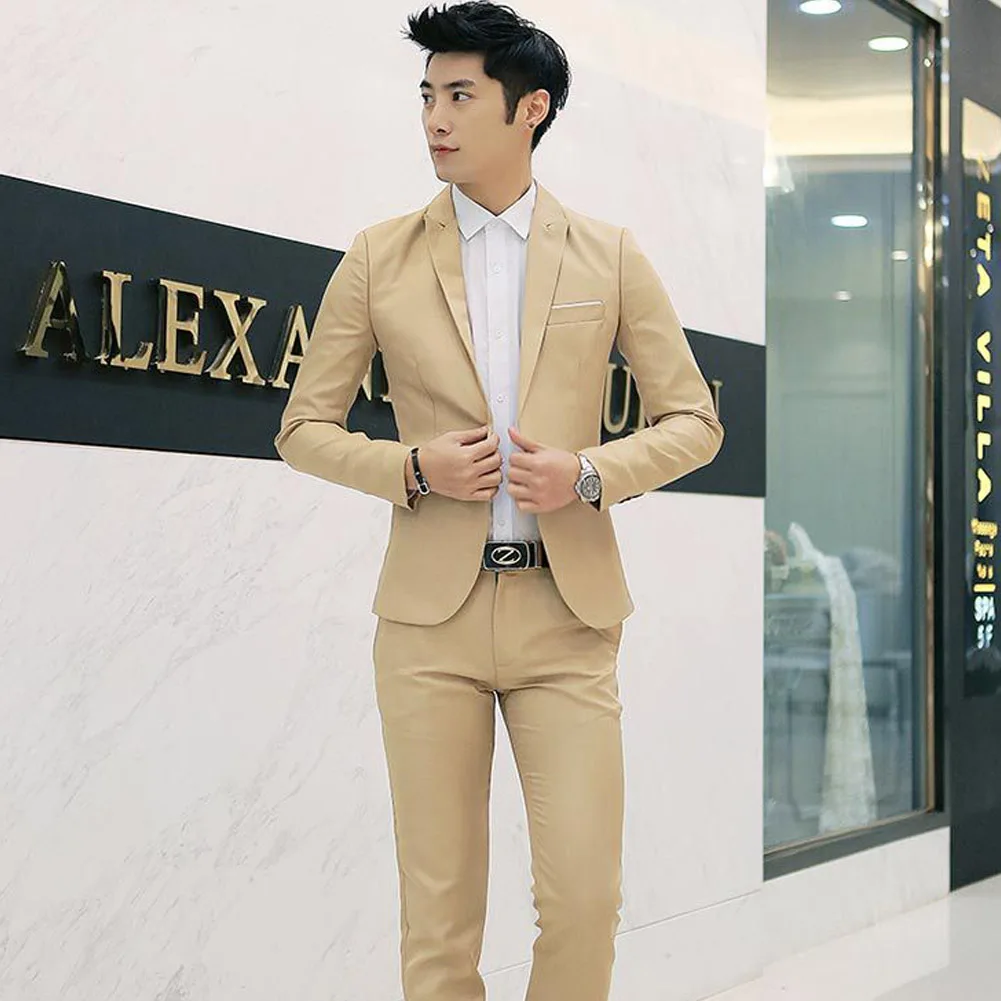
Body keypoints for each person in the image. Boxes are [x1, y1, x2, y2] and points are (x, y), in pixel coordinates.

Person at [274, 3, 724, 999]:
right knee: (438, 922)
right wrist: (412, 467)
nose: (434, 118)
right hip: (426, 626)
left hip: (566, 617)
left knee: (583, 902)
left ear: (531, 109)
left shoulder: (607, 253)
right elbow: (302, 427)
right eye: (426, 96)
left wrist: (587, 474)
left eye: (459, 95)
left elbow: (694, 419)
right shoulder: (378, 254)